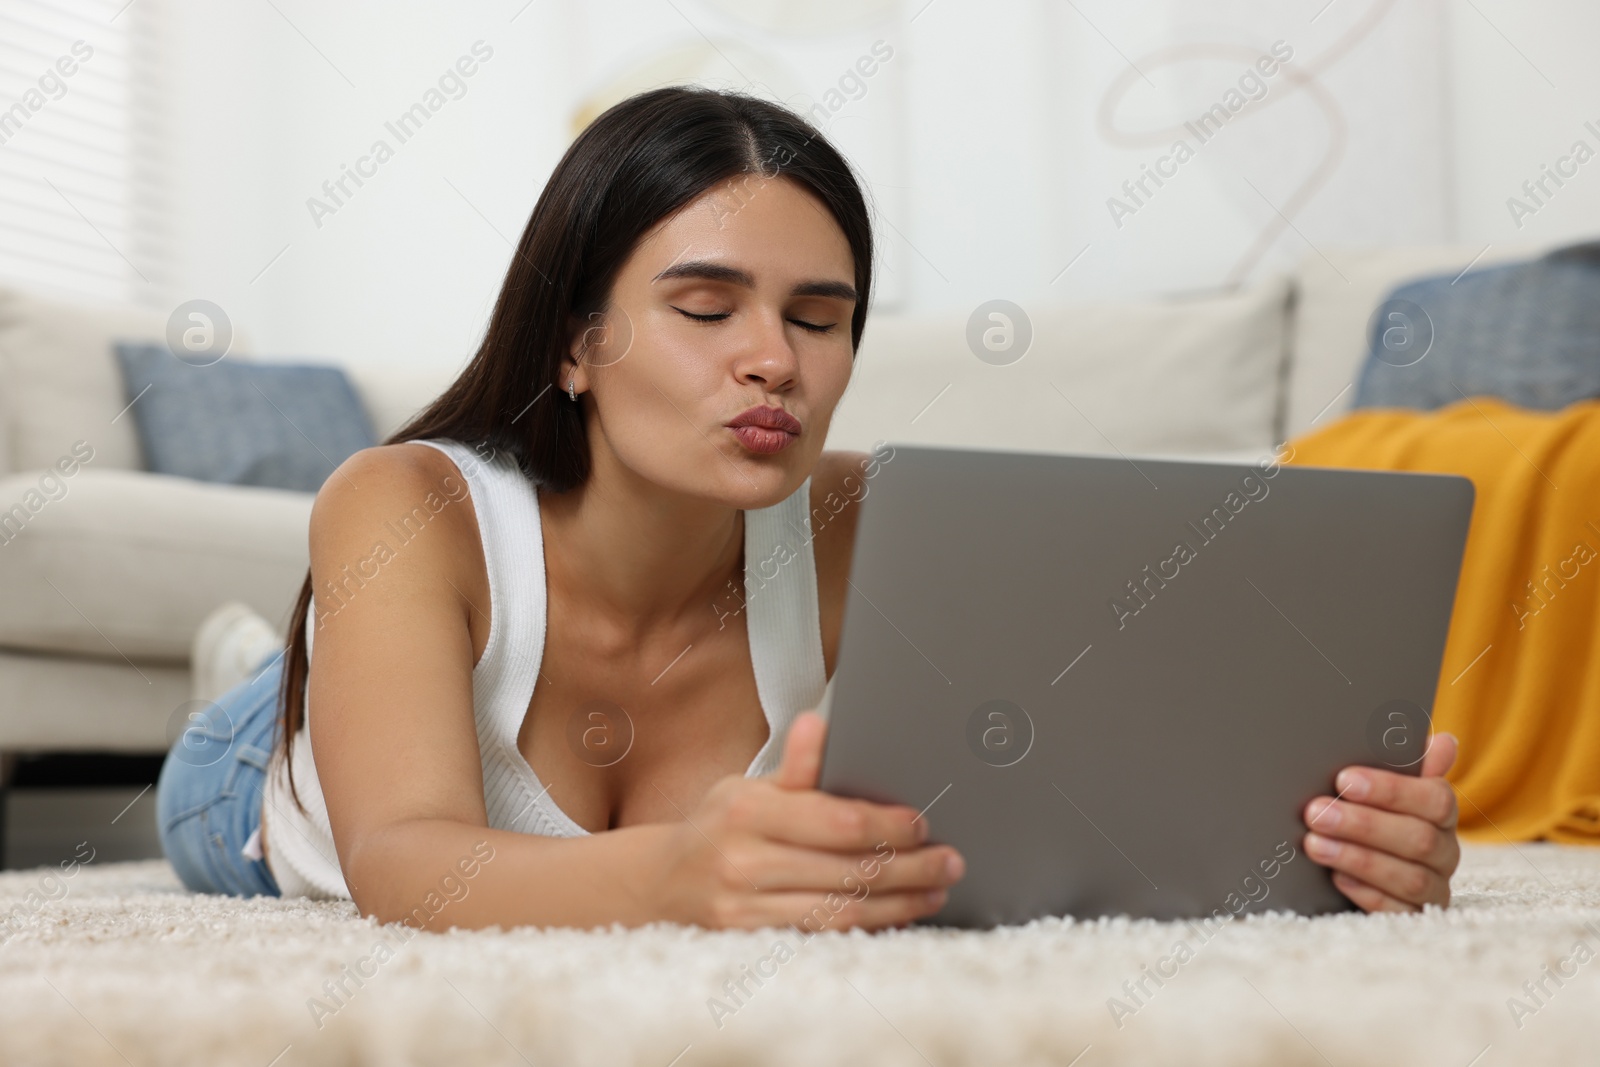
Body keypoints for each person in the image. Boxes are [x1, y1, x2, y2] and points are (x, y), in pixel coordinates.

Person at [155, 86, 1461, 930]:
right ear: (574, 341)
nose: (774, 360)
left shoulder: (874, 521)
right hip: (252, 786)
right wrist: (670, 878)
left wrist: (1331, 842)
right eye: (707, 309)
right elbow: (400, 865)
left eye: (818, 318)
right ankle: (277, 670)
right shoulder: (405, 504)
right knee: (263, 740)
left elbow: (1075, 788)